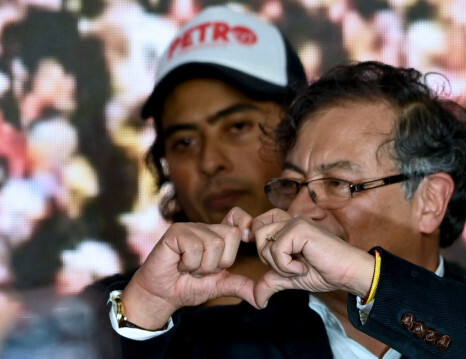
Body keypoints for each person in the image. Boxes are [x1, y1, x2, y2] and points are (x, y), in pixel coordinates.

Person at [95, 61, 466, 358]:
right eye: (293, 185)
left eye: (337, 183)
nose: (304, 210)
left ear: (430, 201)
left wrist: (367, 279)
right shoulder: (235, 336)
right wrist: (143, 310)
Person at [80, 5, 308, 357]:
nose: (210, 162)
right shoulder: (107, 311)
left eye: (237, 127)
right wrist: (138, 319)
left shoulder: (368, 291)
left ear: (300, 130)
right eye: (184, 141)